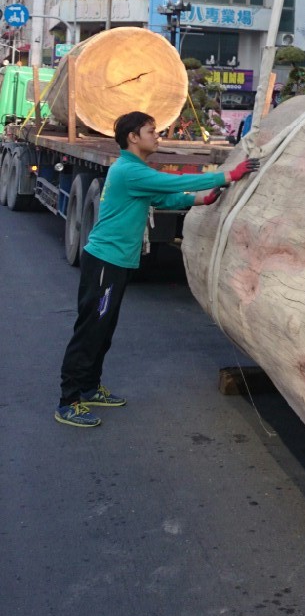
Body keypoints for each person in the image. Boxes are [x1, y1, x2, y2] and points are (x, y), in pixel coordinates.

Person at [55, 111, 260, 429]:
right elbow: (173, 182)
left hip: (116, 262)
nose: (157, 135)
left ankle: (90, 388)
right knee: (91, 330)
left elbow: (162, 198)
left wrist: (201, 200)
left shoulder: (134, 170)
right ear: (133, 137)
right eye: (151, 131)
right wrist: (226, 176)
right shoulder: (129, 170)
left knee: (104, 329)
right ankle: (68, 401)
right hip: (105, 264)